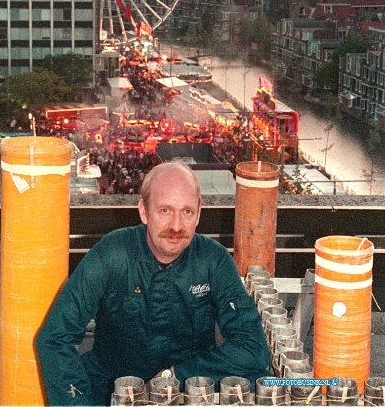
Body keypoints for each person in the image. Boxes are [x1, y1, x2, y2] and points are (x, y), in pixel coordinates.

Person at [37, 162, 272, 406]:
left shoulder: (213, 259)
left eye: (187, 212)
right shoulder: (111, 254)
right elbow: (55, 338)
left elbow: (253, 346)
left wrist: (176, 375)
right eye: (165, 211)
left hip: (191, 385)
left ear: (199, 213)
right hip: (111, 384)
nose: (176, 226)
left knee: (265, 382)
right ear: (143, 211)